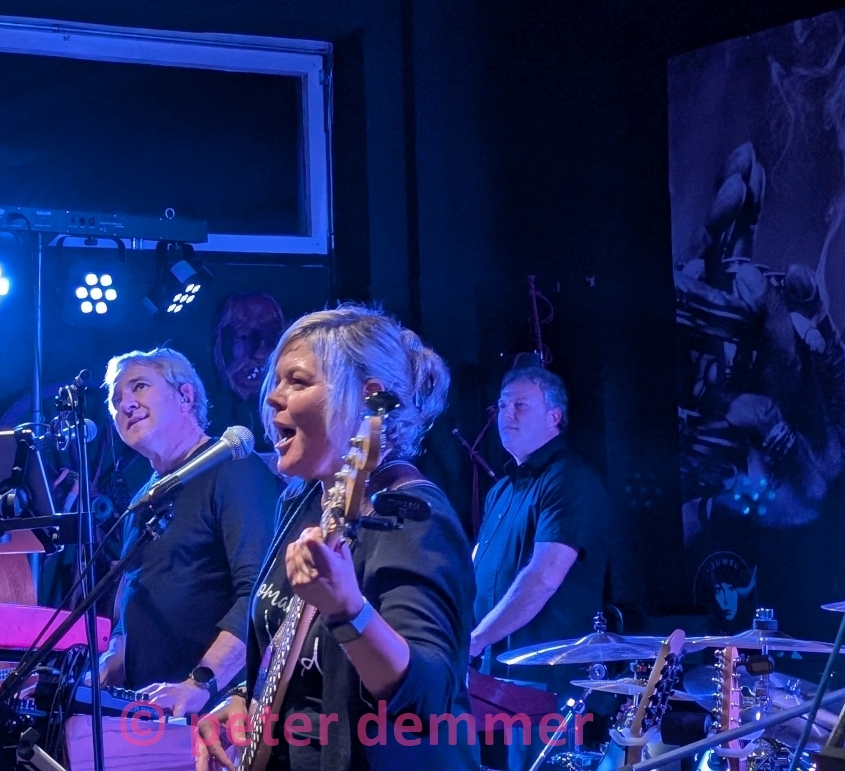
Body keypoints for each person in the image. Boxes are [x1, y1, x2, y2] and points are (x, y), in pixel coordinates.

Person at [195, 305, 480, 771]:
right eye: (276, 381)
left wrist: (348, 610)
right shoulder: (304, 499)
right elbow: (294, 651)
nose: (273, 397)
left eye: (297, 381)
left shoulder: (411, 516)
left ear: (369, 399)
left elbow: (429, 697)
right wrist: (246, 696)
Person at [98, 347, 279, 717]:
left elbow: (261, 594)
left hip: (220, 710)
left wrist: (201, 682)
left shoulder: (234, 469)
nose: (125, 404)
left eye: (139, 386)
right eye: (115, 400)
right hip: (151, 712)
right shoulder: (144, 500)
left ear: (185, 396)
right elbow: (130, 611)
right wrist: (102, 670)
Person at [470, 366, 608, 771]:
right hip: (494, 674)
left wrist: (475, 639)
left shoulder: (568, 479)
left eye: (520, 405)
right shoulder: (501, 489)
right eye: (502, 405)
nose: (506, 414)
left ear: (554, 416)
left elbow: (544, 576)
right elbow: (476, 571)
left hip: (544, 678)